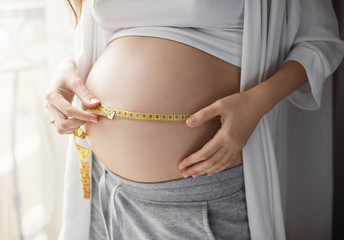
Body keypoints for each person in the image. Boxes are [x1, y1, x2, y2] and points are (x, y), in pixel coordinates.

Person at [45, 0, 344, 239]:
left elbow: (320, 43)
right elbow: (98, 37)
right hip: (106, 185)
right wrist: (65, 68)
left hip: (200, 185)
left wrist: (257, 103)